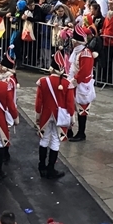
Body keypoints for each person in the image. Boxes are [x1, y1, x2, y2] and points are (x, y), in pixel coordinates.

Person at [35, 52, 75, 180]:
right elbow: (70, 104)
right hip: (60, 116)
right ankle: (51, 168)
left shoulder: (42, 81)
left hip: (46, 114)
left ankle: (41, 167)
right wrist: (72, 118)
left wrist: (38, 116)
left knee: (44, 138)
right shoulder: (67, 83)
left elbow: (38, 102)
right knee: (56, 140)